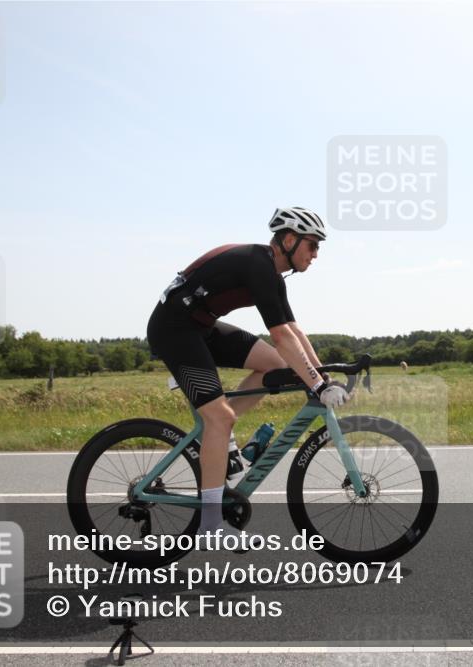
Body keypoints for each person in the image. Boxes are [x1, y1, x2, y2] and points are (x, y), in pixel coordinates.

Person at [146, 206, 350, 545]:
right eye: (312, 245)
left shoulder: (271, 271)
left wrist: (323, 375)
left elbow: (292, 331)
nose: (315, 254)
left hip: (200, 326)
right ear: (289, 239)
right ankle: (209, 525)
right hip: (174, 330)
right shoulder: (259, 267)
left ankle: (220, 440)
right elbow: (282, 337)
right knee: (220, 417)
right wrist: (317, 384)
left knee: (277, 367)